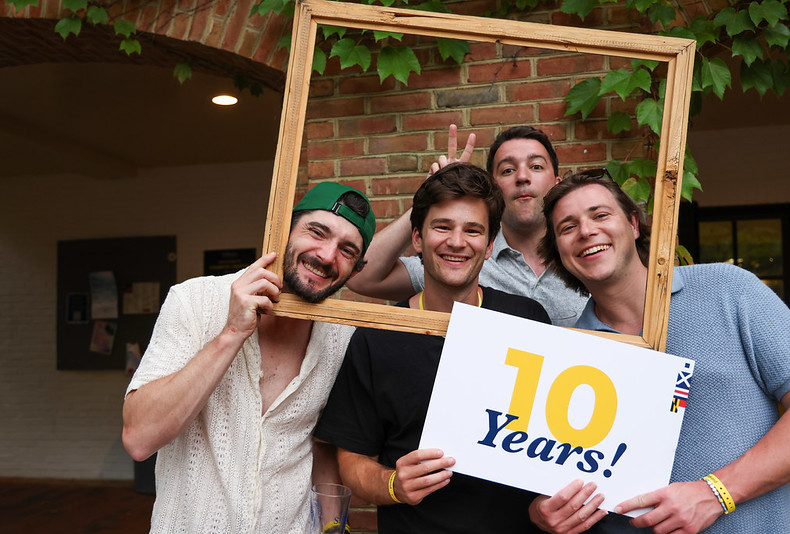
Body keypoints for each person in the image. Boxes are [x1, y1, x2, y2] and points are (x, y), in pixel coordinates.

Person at [528, 171, 790, 533]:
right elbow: (551, 477)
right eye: (567, 227)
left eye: (600, 215)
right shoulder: (570, 353)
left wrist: (716, 493)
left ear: (634, 224)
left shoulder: (729, 290)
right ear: (559, 253)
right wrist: (540, 512)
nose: (586, 231)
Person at [121, 182, 376, 534]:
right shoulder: (193, 301)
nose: (327, 255)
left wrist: (332, 525)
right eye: (317, 232)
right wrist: (231, 334)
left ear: (356, 271)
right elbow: (139, 438)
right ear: (282, 231)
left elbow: (324, 447)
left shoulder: (343, 337)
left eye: (347, 250)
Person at [315, 163, 552, 533]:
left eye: (473, 230)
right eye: (442, 227)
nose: (457, 241)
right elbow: (352, 462)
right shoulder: (377, 338)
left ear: (489, 246)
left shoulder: (527, 320)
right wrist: (393, 484)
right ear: (417, 239)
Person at [345, 124, 588, 326]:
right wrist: (433, 200)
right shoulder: (457, 257)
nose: (522, 177)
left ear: (557, 184)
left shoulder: (587, 256)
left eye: (536, 166)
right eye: (508, 169)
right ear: (494, 187)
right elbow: (359, 275)